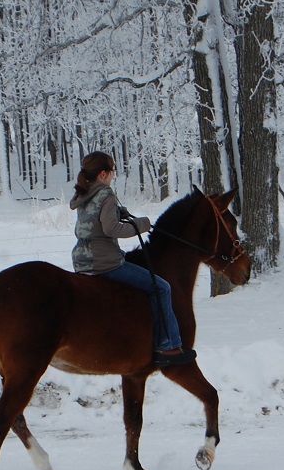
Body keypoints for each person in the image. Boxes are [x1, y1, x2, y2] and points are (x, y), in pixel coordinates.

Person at [69, 151, 196, 368]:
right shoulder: (106, 194)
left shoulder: (84, 194)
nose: (112, 176)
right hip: (106, 263)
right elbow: (110, 229)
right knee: (162, 287)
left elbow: (96, 222)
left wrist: (119, 212)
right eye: (112, 172)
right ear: (103, 174)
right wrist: (141, 225)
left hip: (82, 261)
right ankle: (169, 345)